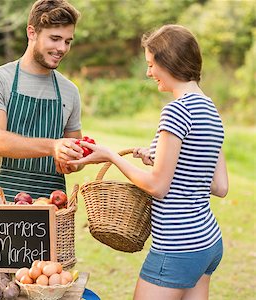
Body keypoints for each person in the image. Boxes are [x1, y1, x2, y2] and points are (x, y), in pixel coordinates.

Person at [68, 24, 228, 300]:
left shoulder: (176, 111)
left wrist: (111, 156)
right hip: (207, 242)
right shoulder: (210, 108)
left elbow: (157, 186)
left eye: (151, 64)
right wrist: (158, 159)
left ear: (169, 62)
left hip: (177, 246)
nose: (148, 72)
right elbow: (219, 185)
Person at [0, 0, 84, 204]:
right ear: (32, 33)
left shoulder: (70, 91)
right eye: (55, 38)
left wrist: (73, 159)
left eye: (67, 41)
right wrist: (53, 146)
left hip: (50, 205)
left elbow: (75, 154)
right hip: (0, 202)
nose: (62, 48)